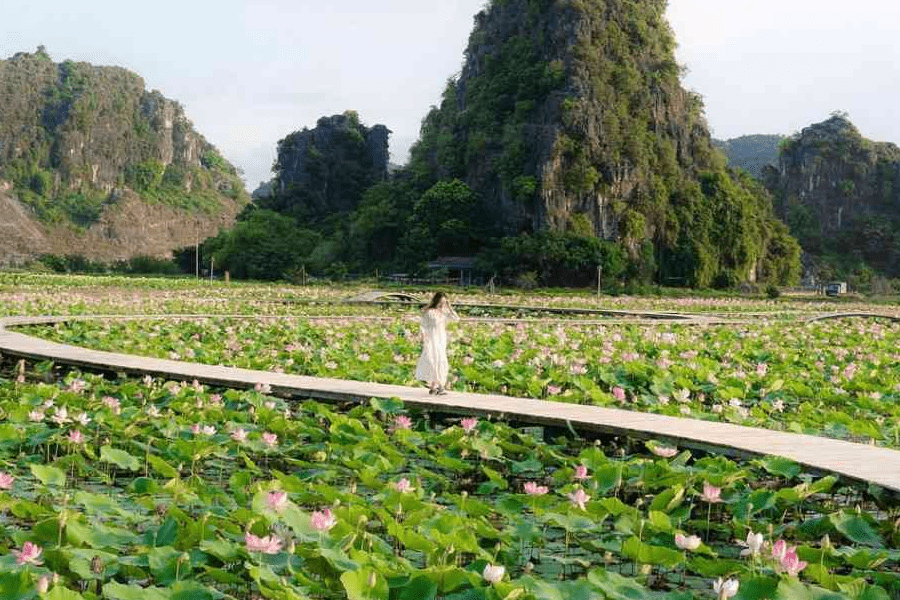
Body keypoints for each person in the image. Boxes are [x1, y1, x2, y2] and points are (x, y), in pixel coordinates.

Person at [416, 292, 459, 395]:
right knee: (432, 360)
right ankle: (438, 386)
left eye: (444, 302)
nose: (442, 304)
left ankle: (436, 386)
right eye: (441, 302)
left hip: (441, 339)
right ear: (437, 301)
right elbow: (423, 326)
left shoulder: (444, 312)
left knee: (441, 361)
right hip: (431, 338)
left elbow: (456, 319)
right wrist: (423, 339)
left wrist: (450, 307)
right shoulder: (430, 312)